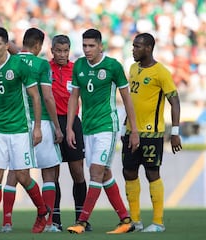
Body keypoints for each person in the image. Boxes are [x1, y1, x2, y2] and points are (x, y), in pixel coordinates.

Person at [0, 26, 49, 234]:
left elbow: (35, 96)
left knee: (23, 176)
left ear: (7, 46)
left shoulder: (19, 65)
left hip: (19, 129)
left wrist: (37, 127)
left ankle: (42, 211)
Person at [66, 28, 139, 234]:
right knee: (104, 173)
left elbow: (126, 98)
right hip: (87, 128)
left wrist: (133, 129)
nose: (87, 50)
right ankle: (125, 220)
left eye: (91, 46)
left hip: (107, 126)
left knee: (95, 172)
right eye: (84, 46)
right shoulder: (79, 65)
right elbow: (74, 98)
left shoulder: (112, 66)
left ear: (100, 46)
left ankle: (81, 222)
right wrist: (70, 127)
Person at [0, 27, 63, 233]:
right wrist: (57, 126)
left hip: (17, 124)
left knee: (14, 173)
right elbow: (47, 97)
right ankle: (49, 222)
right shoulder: (42, 64)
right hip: (41, 121)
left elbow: (12, 49)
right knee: (49, 174)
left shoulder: (13, 61)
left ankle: (7, 222)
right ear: (38, 45)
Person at [122, 33, 182, 233]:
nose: (134, 49)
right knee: (129, 173)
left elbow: (175, 101)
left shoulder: (161, 72)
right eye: (133, 46)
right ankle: (136, 221)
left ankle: (158, 222)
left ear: (148, 48)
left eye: (137, 46)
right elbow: (132, 101)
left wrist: (175, 131)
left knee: (152, 173)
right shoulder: (133, 68)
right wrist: (125, 126)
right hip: (131, 132)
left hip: (152, 134)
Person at [49, 34, 90, 232]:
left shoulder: (77, 69)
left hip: (72, 122)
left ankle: (82, 219)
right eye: (59, 50)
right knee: (52, 174)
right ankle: (55, 220)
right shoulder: (44, 68)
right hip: (51, 123)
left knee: (78, 172)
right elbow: (21, 55)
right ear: (52, 50)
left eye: (66, 51)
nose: (62, 54)